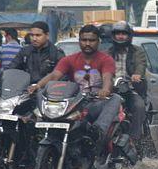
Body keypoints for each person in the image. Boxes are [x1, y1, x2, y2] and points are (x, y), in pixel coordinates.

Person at [33, 25, 120, 156]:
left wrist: (105, 90)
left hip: (97, 103)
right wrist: (37, 86)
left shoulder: (106, 59)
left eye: (91, 40)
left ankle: (99, 132)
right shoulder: (68, 59)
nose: (87, 43)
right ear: (79, 41)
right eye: (84, 40)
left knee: (115, 99)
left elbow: (107, 77)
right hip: (76, 104)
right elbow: (54, 75)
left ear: (98, 42)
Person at [106, 21, 148, 144]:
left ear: (129, 35)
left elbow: (141, 64)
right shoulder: (107, 53)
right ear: (113, 36)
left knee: (139, 106)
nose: (120, 36)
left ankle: (133, 139)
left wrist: (137, 75)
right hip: (111, 90)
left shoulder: (137, 51)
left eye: (123, 33)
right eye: (118, 33)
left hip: (130, 89)